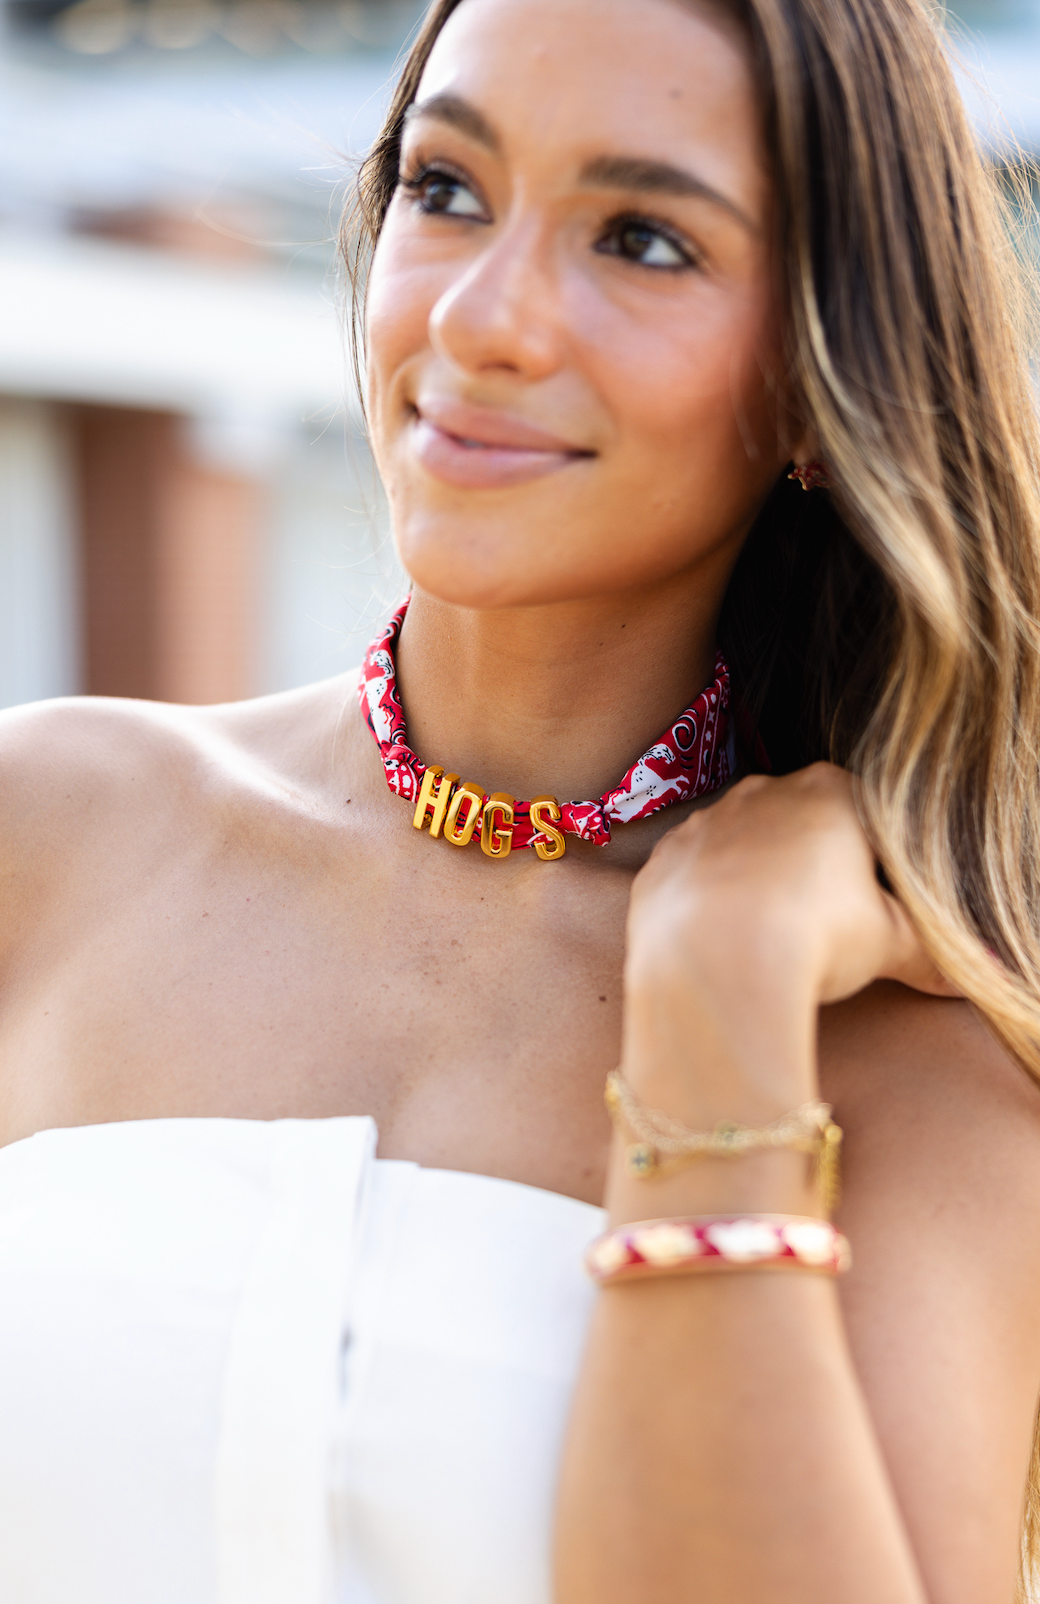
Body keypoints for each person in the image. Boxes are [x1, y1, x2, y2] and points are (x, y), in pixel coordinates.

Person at [3, 0, 1040, 1599]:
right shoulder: (47, 833)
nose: (485, 319)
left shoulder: (922, 1067)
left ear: (820, 391)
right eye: (447, 188)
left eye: (639, 238)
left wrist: (718, 1006)